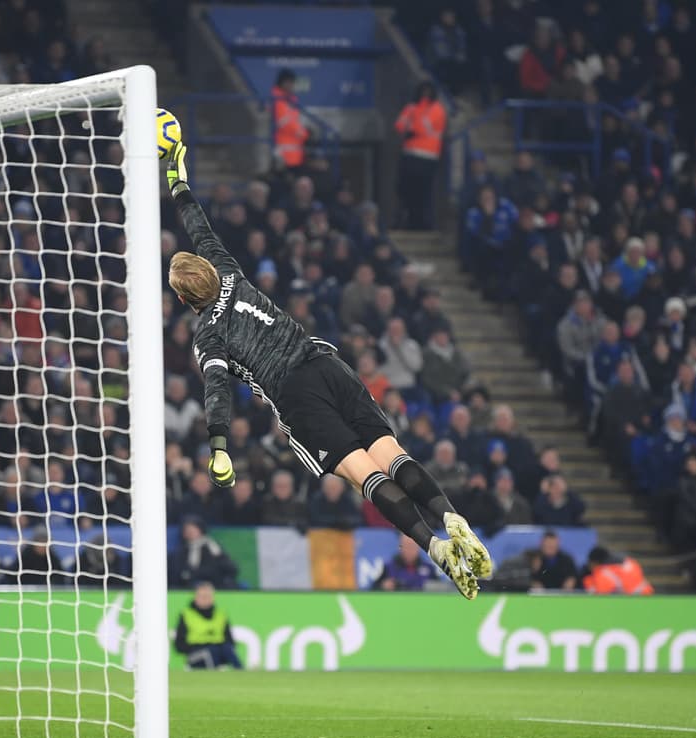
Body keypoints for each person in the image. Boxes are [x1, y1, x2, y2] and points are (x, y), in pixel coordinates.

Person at [164, 142, 491, 599]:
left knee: (365, 474)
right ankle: (454, 519)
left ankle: (435, 548)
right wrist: (178, 180)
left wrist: (219, 446)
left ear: (184, 300)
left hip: (295, 394)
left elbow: (216, 390)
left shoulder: (208, 336)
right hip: (326, 363)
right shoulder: (230, 271)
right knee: (392, 454)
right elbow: (200, 228)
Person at [394, 81, 447, 229]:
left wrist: (412, 122)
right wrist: (412, 121)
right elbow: (399, 125)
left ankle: (423, 223)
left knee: (424, 193)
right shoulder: (412, 107)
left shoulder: (437, 109)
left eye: (428, 91)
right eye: (423, 91)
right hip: (409, 155)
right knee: (405, 191)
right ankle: (408, 222)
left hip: (427, 157)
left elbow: (422, 128)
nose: (425, 94)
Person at [173, 582, 242, 669]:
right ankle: (214, 677)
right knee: (211, 651)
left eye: (208, 596)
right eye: (202, 596)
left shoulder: (221, 615)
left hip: (217, 650)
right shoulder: (186, 615)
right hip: (195, 653)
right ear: (195, 597)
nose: (205, 599)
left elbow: (230, 640)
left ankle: (241, 671)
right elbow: (179, 644)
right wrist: (201, 646)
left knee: (227, 649)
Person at [167, 516, 239, 589]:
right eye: (187, 530)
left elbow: (230, 568)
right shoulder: (182, 550)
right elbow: (179, 572)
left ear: (200, 530)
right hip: (190, 584)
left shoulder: (213, 546)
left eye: (193, 529)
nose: (190, 532)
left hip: (214, 582)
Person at [271, 69, 309, 171]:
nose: (291, 85)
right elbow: (283, 122)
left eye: (292, 82)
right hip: (283, 149)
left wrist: (303, 132)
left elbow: (296, 120)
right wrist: (301, 132)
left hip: (296, 148)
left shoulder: (292, 100)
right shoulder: (277, 99)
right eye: (289, 82)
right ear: (282, 82)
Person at [582, 546, 654, 595]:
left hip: (633, 602)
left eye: (590, 563)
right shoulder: (629, 561)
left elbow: (601, 595)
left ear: (595, 562)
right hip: (648, 595)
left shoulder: (603, 572)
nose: (590, 567)